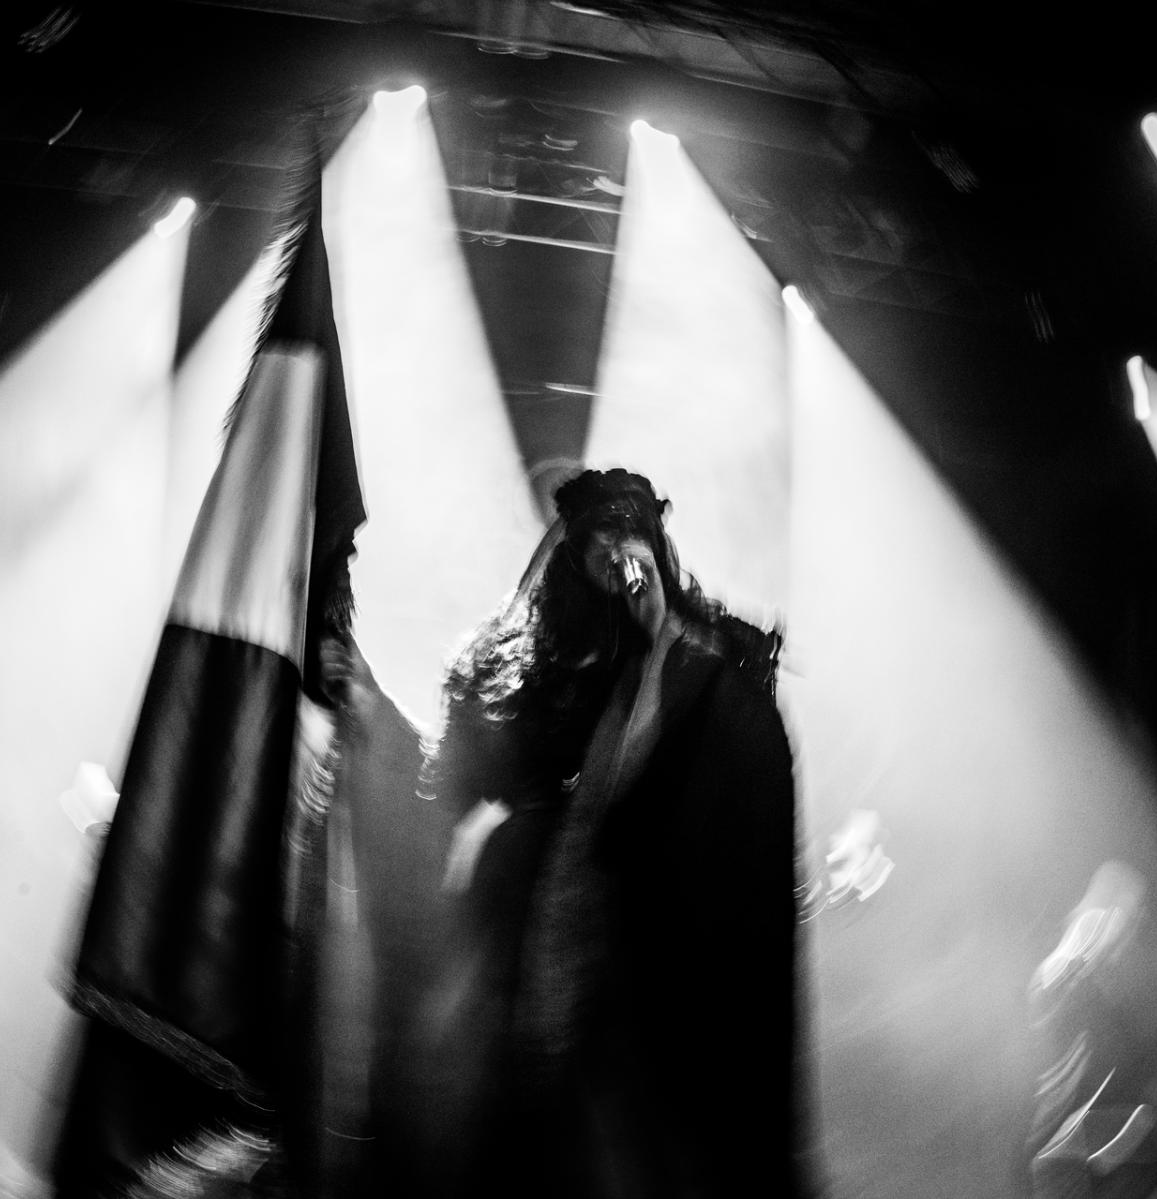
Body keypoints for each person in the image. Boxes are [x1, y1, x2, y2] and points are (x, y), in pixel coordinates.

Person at [321, 467, 804, 1199]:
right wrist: (366, 698)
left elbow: (734, 850)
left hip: (655, 1003)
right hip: (546, 973)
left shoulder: (710, 683)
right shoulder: (558, 674)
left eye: (629, 533)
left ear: (656, 542)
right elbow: (449, 783)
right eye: (597, 541)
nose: (617, 556)